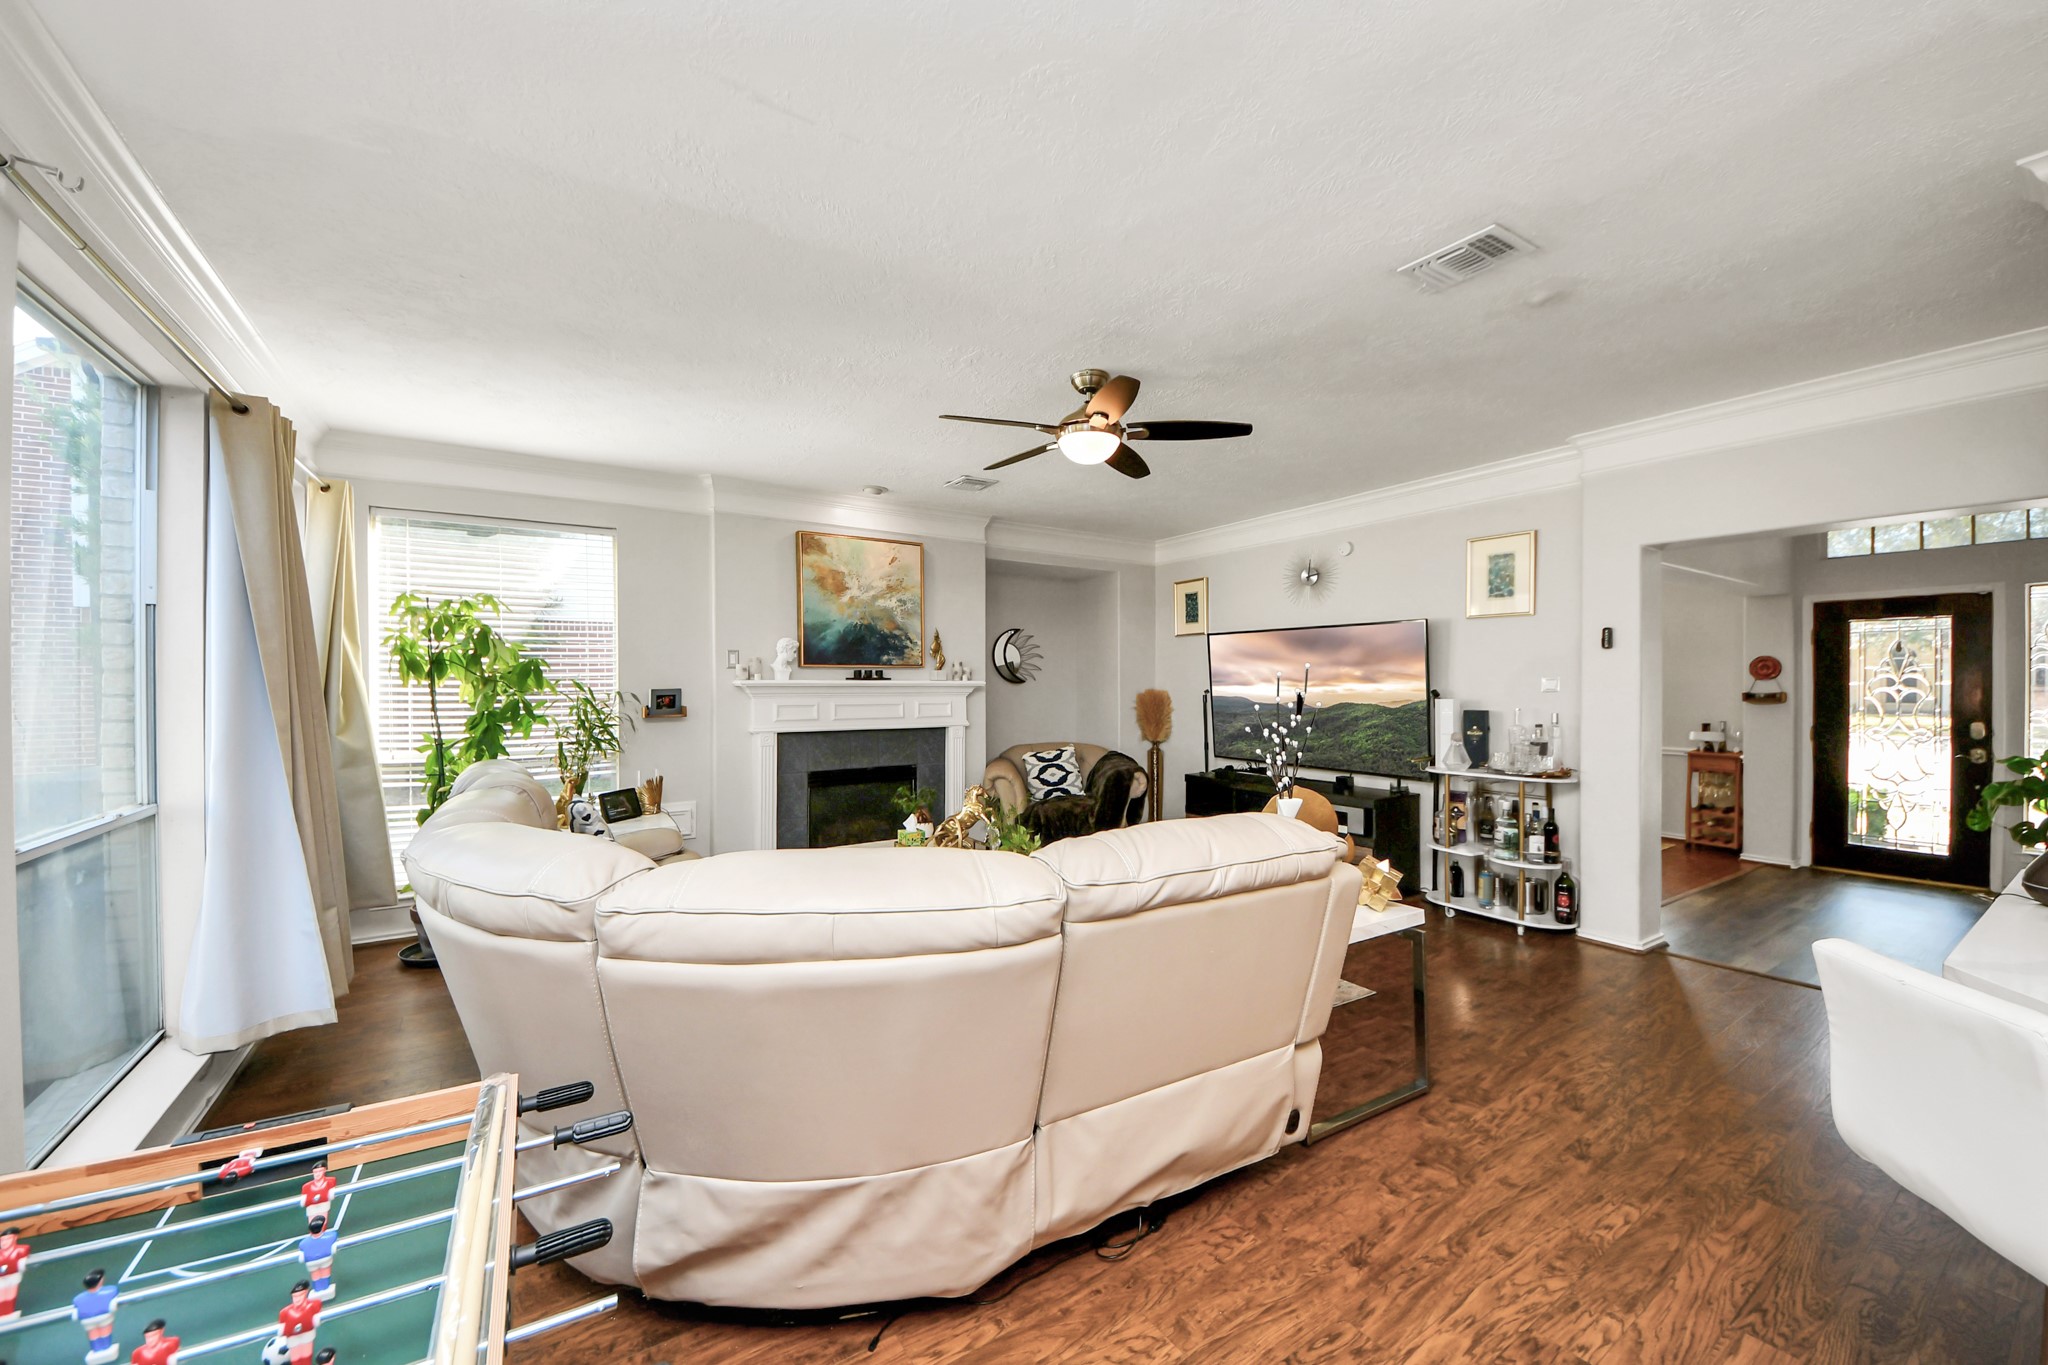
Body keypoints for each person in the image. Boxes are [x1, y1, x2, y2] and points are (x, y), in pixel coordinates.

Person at [71, 1269, 120, 1365]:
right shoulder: (111, 1290)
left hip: (87, 1321)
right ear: (99, 1281)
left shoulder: (78, 1299)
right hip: (104, 1317)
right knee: (105, 1331)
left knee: (93, 1333)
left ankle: (97, 1350)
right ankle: (105, 1348)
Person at [276, 1281, 320, 1365]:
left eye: (300, 1295)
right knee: (296, 1357)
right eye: (295, 1296)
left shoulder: (312, 1305)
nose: (297, 1299)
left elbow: (316, 1322)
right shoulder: (285, 1312)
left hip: (307, 1335)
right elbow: (281, 1332)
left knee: (306, 1355)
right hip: (293, 1338)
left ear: (306, 1293)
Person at [298, 1216, 338, 1302]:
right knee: (325, 1273)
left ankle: (318, 1289)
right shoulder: (330, 1237)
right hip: (325, 1259)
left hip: (311, 1262)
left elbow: (301, 1253)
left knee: (315, 1275)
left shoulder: (303, 1243)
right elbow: (334, 1235)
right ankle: (325, 1287)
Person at [0, 1226, 28, 1321]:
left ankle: (8, 1312)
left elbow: (21, 1263)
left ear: (15, 1238)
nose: (4, 1243)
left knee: (10, 1294)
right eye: (2, 1240)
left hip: (13, 1277)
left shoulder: (21, 1250)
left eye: (7, 1239)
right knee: (2, 1294)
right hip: (2, 1278)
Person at [299, 1161, 336, 1226]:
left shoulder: (330, 1181)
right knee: (313, 1225)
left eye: (320, 1171)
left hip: (324, 1206)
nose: (317, 1174)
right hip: (312, 1209)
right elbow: (303, 1202)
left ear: (324, 1171)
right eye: (315, 1172)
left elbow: (331, 1196)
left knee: (323, 1224)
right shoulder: (306, 1186)